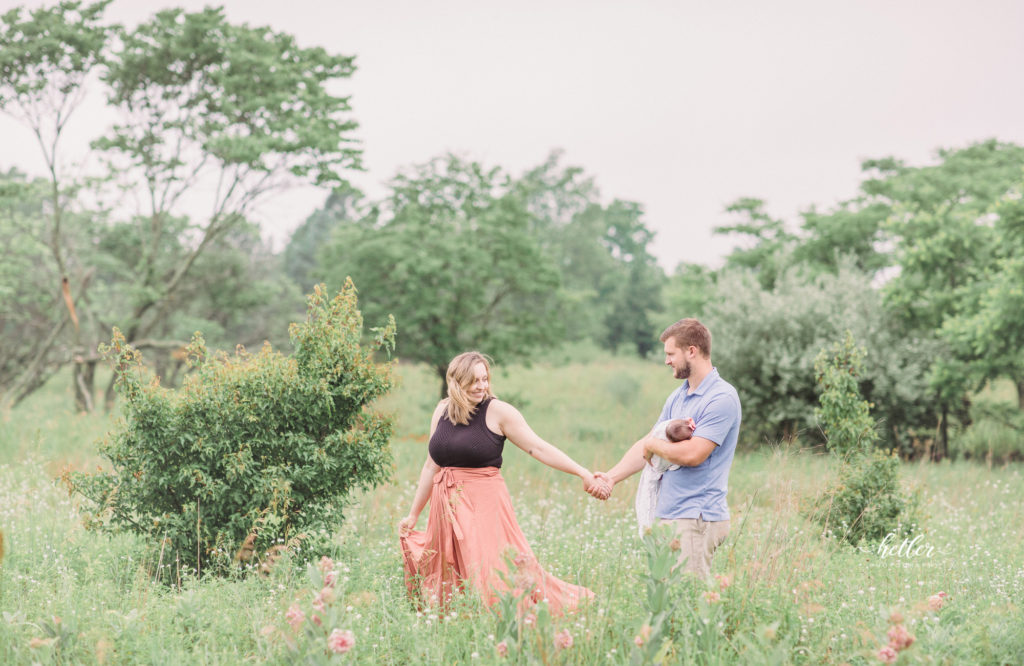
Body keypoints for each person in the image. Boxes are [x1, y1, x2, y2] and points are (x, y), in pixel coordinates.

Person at [399, 351, 605, 614]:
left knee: (488, 565)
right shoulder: (441, 410)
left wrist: (583, 473)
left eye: (485, 379)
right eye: (473, 381)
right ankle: (463, 619)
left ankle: (509, 616)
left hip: (483, 503)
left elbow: (538, 448)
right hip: (446, 504)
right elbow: (431, 465)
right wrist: (414, 513)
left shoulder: (498, 412)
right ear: (456, 382)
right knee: (452, 567)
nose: (481, 386)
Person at [594, 318, 741, 580]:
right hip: (670, 513)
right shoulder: (678, 396)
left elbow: (693, 455)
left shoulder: (721, 397)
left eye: (671, 354)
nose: (667, 361)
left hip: (696, 517)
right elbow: (648, 442)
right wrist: (611, 477)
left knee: (688, 601)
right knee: (666, 600)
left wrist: (654, 444)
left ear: (692, 351)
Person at [634, 417, 695, 536]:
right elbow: (651, 447)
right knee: (648, 498)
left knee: (649, 498)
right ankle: (646, 528)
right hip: (655, 465)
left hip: (678, 508)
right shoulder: (663, 430)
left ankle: (647, 529)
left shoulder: (680, 425)